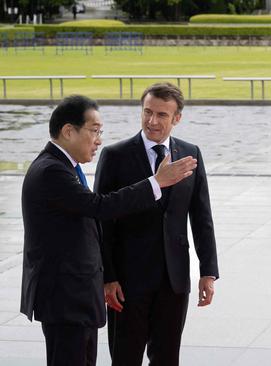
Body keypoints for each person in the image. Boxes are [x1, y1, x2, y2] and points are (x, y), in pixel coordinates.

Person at [20, 95, 197, 366]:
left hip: (75, 299)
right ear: (69, 131)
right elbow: (100, 206)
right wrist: (156, 183)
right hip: (66, 299)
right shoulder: (51, 172)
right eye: (94, 131)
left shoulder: (63, 168)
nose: (99, 140)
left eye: (100, 132)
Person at [94, 82, 219, 366]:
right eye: (147, 112)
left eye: (162, 115)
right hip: (127, 282)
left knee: (167, 359)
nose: (152, 121)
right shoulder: (115, 156)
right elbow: (102, 221)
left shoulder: (191, 154)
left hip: (173, 282)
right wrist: (108, 276)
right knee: (125, 359)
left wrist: (208, 272)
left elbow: (202, 218)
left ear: (177, 119)